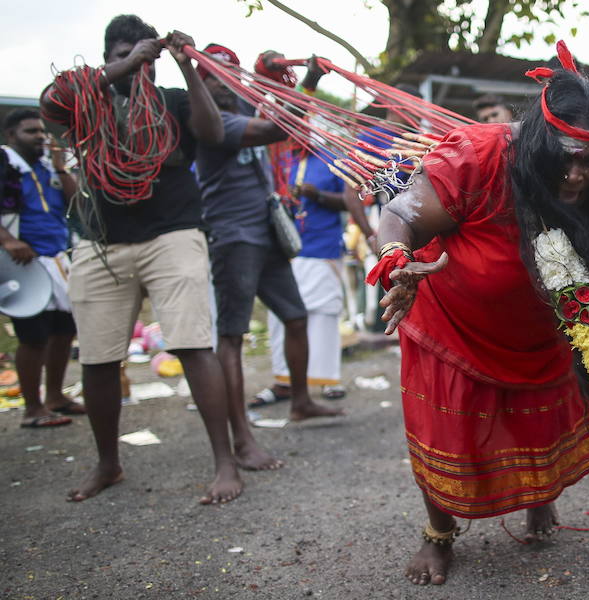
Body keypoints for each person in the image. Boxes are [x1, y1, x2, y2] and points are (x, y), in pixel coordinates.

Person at [368, 55, 589, 585]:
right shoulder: (481, 155)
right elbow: (403, 212)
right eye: (566, 157)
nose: (575, 174)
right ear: (540, 140)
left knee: (538, 422)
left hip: (547, 328)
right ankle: (438, 535)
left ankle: (535, 498)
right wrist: (397, 260)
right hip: (454, 324)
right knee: (446, 431)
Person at [40, 15, 242, 504]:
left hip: (172, 235)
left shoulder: (173, 100)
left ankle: (225, 463)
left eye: (140, 56)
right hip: (100, 241)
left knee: (194, 346)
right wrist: (127, 63)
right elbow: (50, 103)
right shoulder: (84, 100)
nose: (134, 66)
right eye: (121, 55)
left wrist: (186, 67)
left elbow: (213, 133)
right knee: (99, 357)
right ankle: (108, 464)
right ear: (109, 57)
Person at [195, 43, 343, 446]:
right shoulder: (208, 120)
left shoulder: (244, 108)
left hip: (267, 232)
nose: (224, 86)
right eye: (212, 77)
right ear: (200, 83)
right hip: (233, 236)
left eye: (231, 76)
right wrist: (309, 82)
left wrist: (279, 72)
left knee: (296, 317)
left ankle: (300, 402)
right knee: (232, 335)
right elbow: (279, 127)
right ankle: (238, 430)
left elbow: (277, 115)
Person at [1, 109, 82, 428]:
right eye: (30, 131)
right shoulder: (6, 164)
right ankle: (32, 408)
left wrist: (62, 170)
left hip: (57, 259)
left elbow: (76, 203)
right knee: (33, 336)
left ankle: (55, 397)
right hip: (23, 264)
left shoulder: (50, 165)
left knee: (64, 330)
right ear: (10, 136)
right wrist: (7, 240)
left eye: (41, 131)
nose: (39, 137)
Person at [256, 152, 353, 404]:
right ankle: (284, 381)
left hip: (321, 246)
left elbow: (352, 201)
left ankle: (327, 380)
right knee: (281, 315)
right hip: (282, 249)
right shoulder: (276, 158)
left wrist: (317, 196)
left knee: (323, 312)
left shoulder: (331, 160)